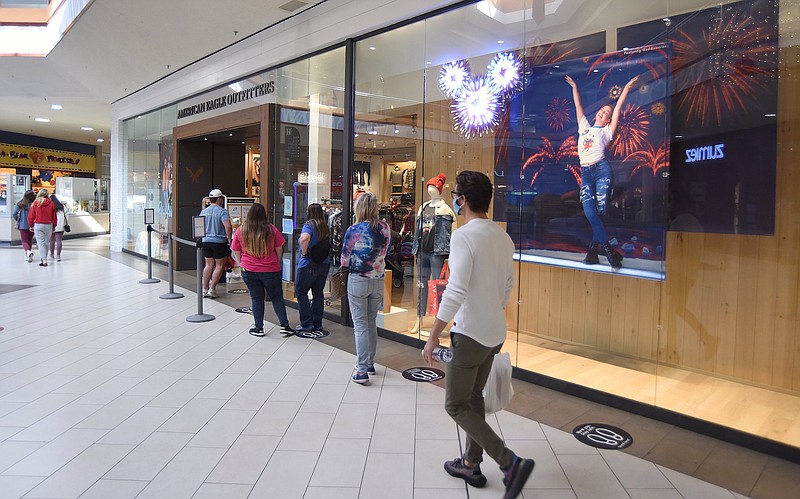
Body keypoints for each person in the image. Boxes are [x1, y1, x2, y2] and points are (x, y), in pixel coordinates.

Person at [422, 171, 534, 499]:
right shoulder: (502, 237)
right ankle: (471, 463)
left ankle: (508, 461)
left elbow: (455, 290)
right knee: (473, 398)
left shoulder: (463, 236)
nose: (454, 199)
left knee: (455, 404)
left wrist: (433, 335)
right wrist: (490, 308)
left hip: (469, 335)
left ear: (465, 200)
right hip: (494, 333)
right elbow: (508, 286)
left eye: (456, 194)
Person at [565, 74, 638, 271]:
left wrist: (626, 89)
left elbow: (618, 109)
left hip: (602, 171)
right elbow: (578, 106)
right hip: (586, 173)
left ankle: (596, 252)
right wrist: (574, 86)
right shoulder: (584, 128)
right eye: (602, 110)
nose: (602, 112)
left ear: (607, 120)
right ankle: (606, 250)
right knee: (590, 212)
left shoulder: (606, 132)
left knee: (599, 211)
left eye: (606, 112)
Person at [341, 192, 391, 384]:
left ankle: (361, 369)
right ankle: (370, 362)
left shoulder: (354, 230)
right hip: (378, 279)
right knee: (371, 322)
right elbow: (386, 251)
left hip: (358, 279)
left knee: (360, 324)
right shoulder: (385, 228)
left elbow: (344, 260)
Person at [231, 203, 295, 337]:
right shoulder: (271, 229)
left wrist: (242, 263)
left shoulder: (241, 230)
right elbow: (279, 248)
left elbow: (236, 250)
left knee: (256, 298)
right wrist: (276, 262)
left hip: (249, 270)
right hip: (270, 269)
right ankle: (285, 326)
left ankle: (258, 328)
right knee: (277, 298)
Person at [411, 173, 456, 333]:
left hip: (437, 253)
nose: (430, 189)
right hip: (422, 251)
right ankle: (419, 319)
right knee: (421, 285)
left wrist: (449, 256)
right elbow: (417, 230)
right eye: (428, 186)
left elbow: (453, 233)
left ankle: (440, 322)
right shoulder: (423, 207)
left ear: (439, 188)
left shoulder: (446, 210)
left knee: (438, 287)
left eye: (433, 186)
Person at [295, 203, 331, 334]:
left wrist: (304, 252)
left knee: (301, 292)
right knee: (318, 294)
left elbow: (304, 238)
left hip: (308, 264)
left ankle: (306, 323)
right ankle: (317, 323)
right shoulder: (325, 226)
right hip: (324, 263)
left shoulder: (309, 225)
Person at [200, 188, 232, 298]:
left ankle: (204, 288)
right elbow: (227, 226)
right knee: (219, 266)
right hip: (219, 242)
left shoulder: (203, 211)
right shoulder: (222, 211)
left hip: (206, 241)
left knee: (208, 265)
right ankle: (212, 289)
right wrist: (229, 238)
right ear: (219, 199)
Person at [28, 189, 57, 267]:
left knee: (41, 243)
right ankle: (44, 258)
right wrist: (54, 225)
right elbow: (54, 216)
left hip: (38, 225)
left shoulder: (35, 203)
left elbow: (31, 216)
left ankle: (44, 259)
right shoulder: (51, 203)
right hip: (49, 225)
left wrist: (31, 225)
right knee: (46, 242)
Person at [12, 190, 36, 263]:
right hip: (32, 225)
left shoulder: (20, 204)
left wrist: (19, 220)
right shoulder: (34, 204)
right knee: (29, 240)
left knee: (24, 241)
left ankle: (27, 252)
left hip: (23, 225)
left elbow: (14, 214)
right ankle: (28, 254)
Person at [49, 194, 67, 262]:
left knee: (52, 240)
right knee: (59, 240)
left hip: (52, 225)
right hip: (61, 225)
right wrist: (64, 223)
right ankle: (58, 256)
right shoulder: (62, 207)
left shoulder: (50, 206)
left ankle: (52, 254)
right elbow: (66, 215)